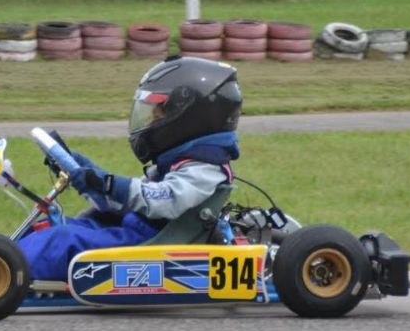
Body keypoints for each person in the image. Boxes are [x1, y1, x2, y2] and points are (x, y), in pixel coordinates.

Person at [19, 55, 243, 281]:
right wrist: (84, 170)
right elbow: (126, 201)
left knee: (61, 239)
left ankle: (6, 273)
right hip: (135, 230)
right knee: (46, 227)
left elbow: (163, 200)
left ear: (192, 117)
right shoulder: (183, 162)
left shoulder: (204, 169)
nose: (153, 117)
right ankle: (3, 261)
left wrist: (108, 183)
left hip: (148, 244)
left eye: (161, 110)